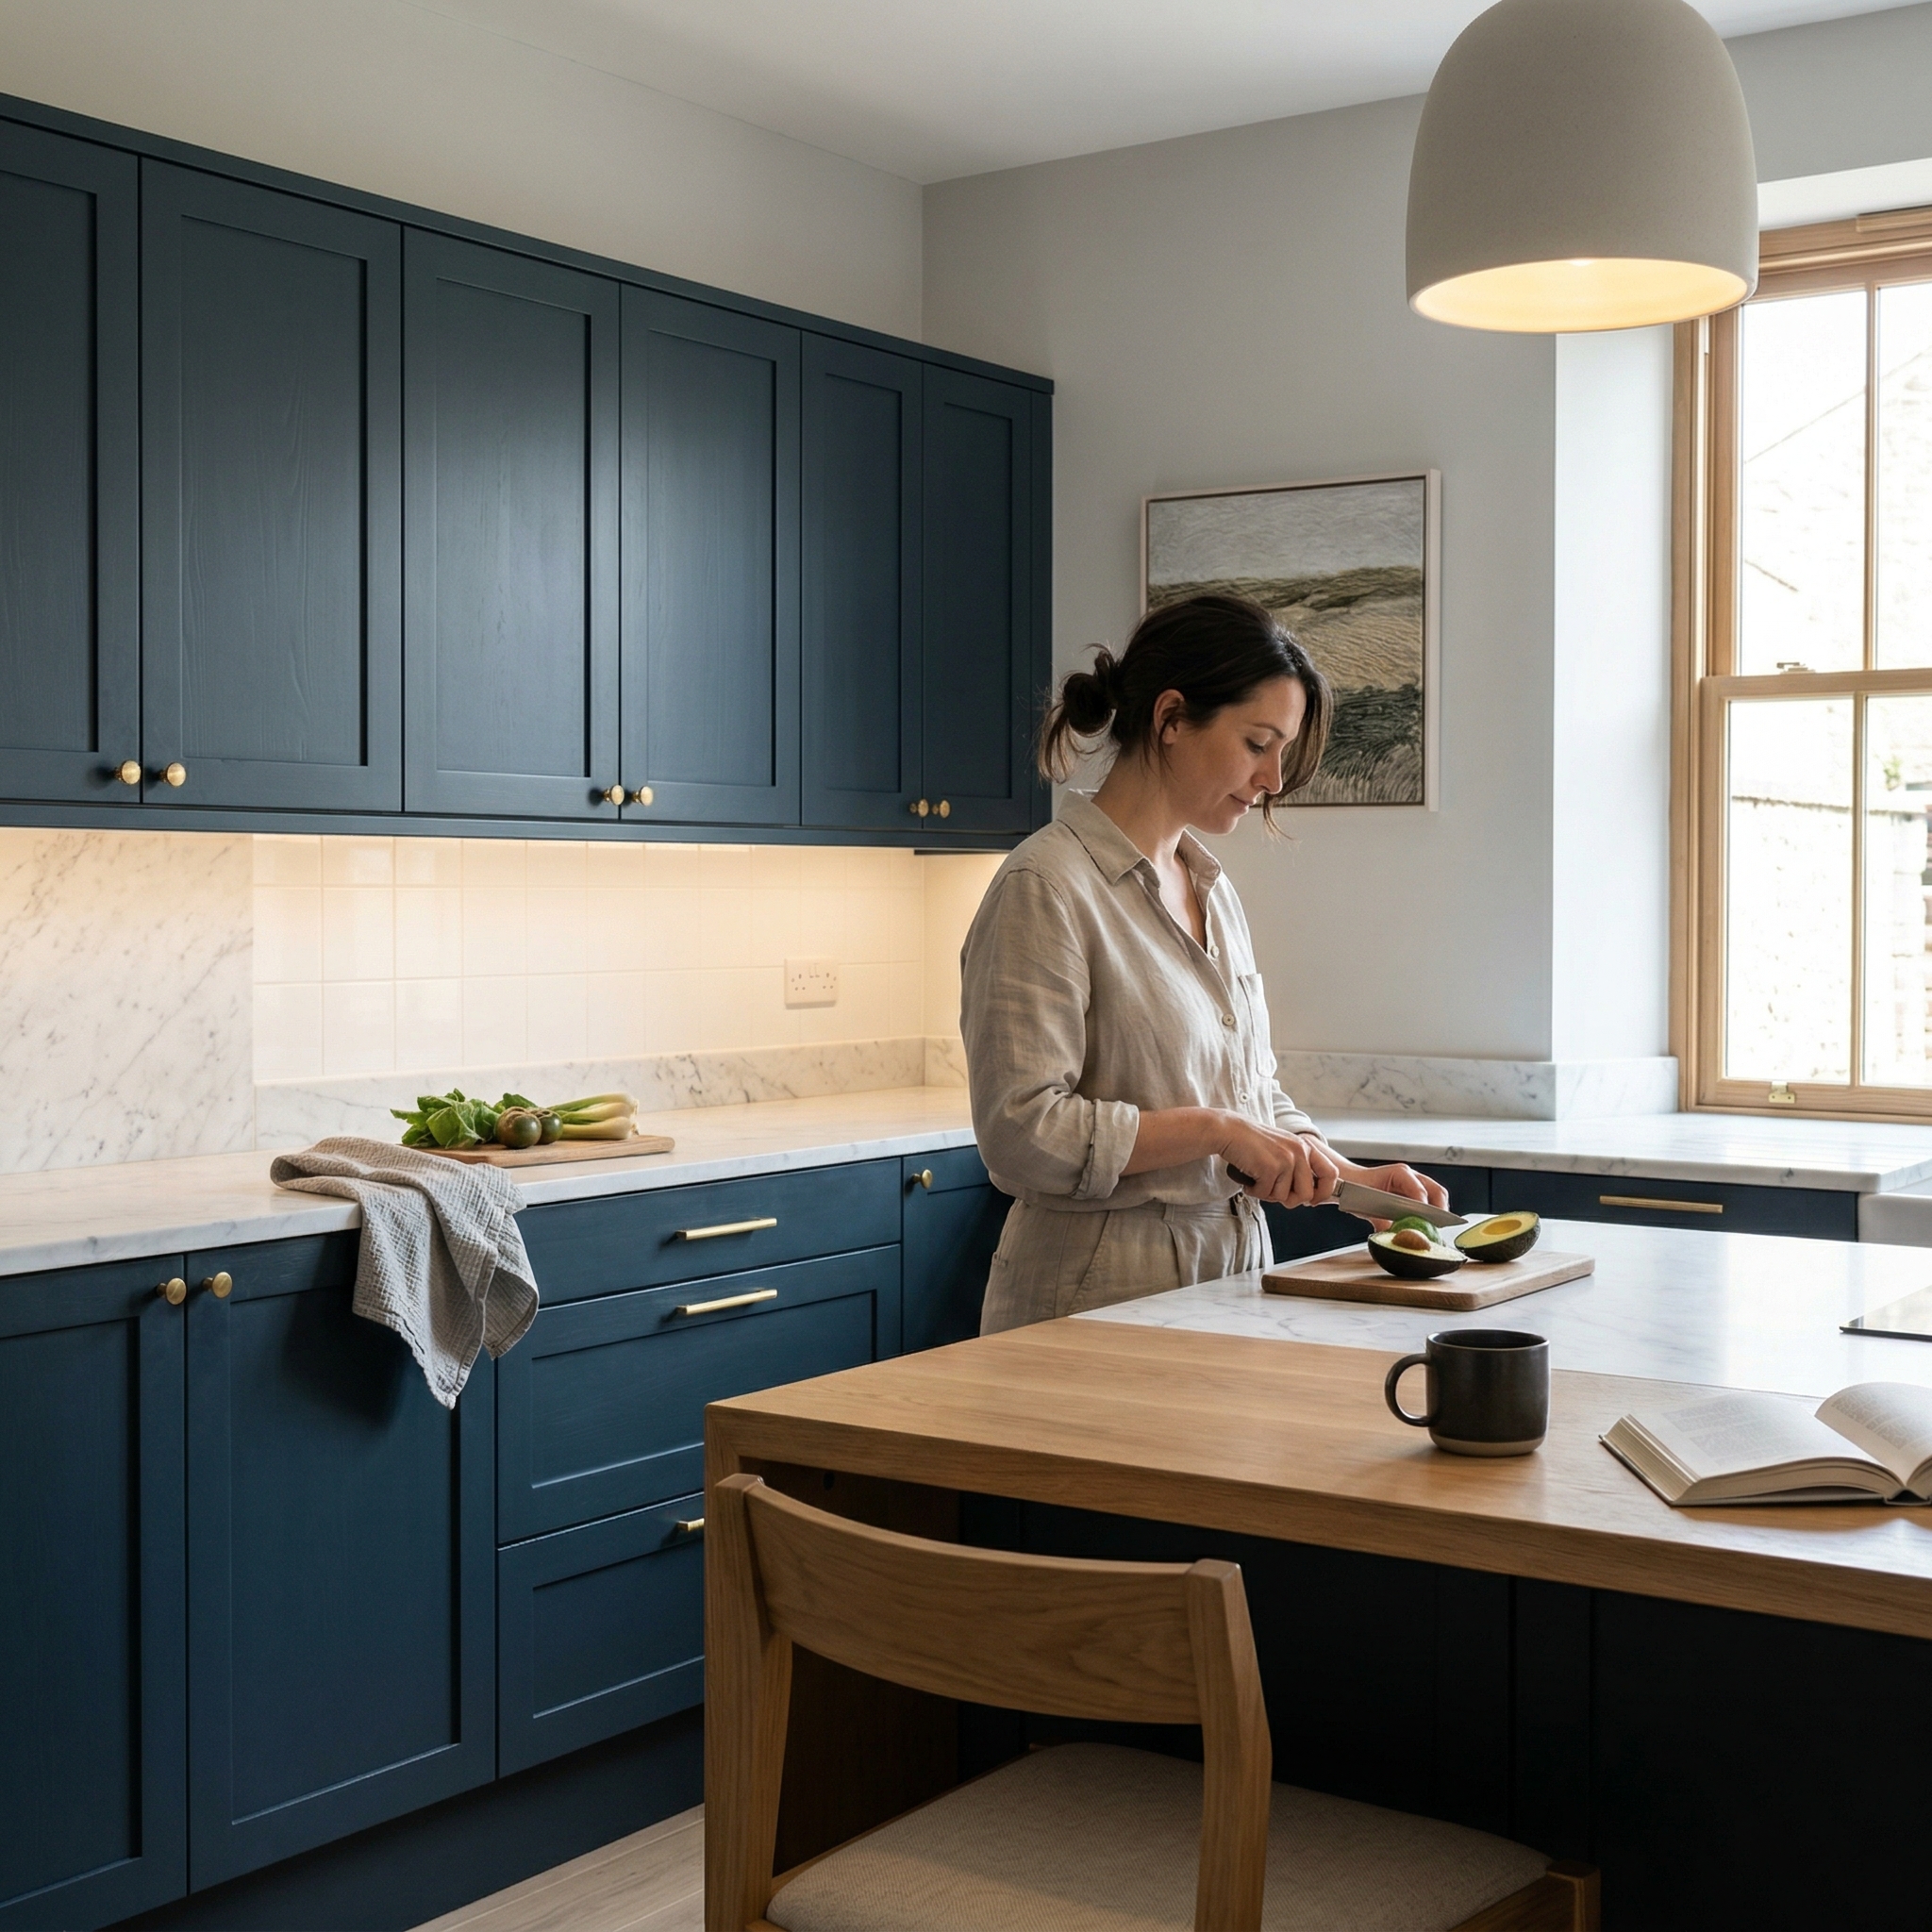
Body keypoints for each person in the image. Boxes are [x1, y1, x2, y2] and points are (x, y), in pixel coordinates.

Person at [959, 592, 1448, 1334]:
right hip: (1092, 1303)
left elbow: (1251, 1095)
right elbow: (1021, 1133)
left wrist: (1349, 1175)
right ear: (1171, 719)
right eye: (1258, 743)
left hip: (1232, 1280)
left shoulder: (1212, 891)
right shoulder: (1045, 887)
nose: (1275, 779)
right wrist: (1216, 1131)